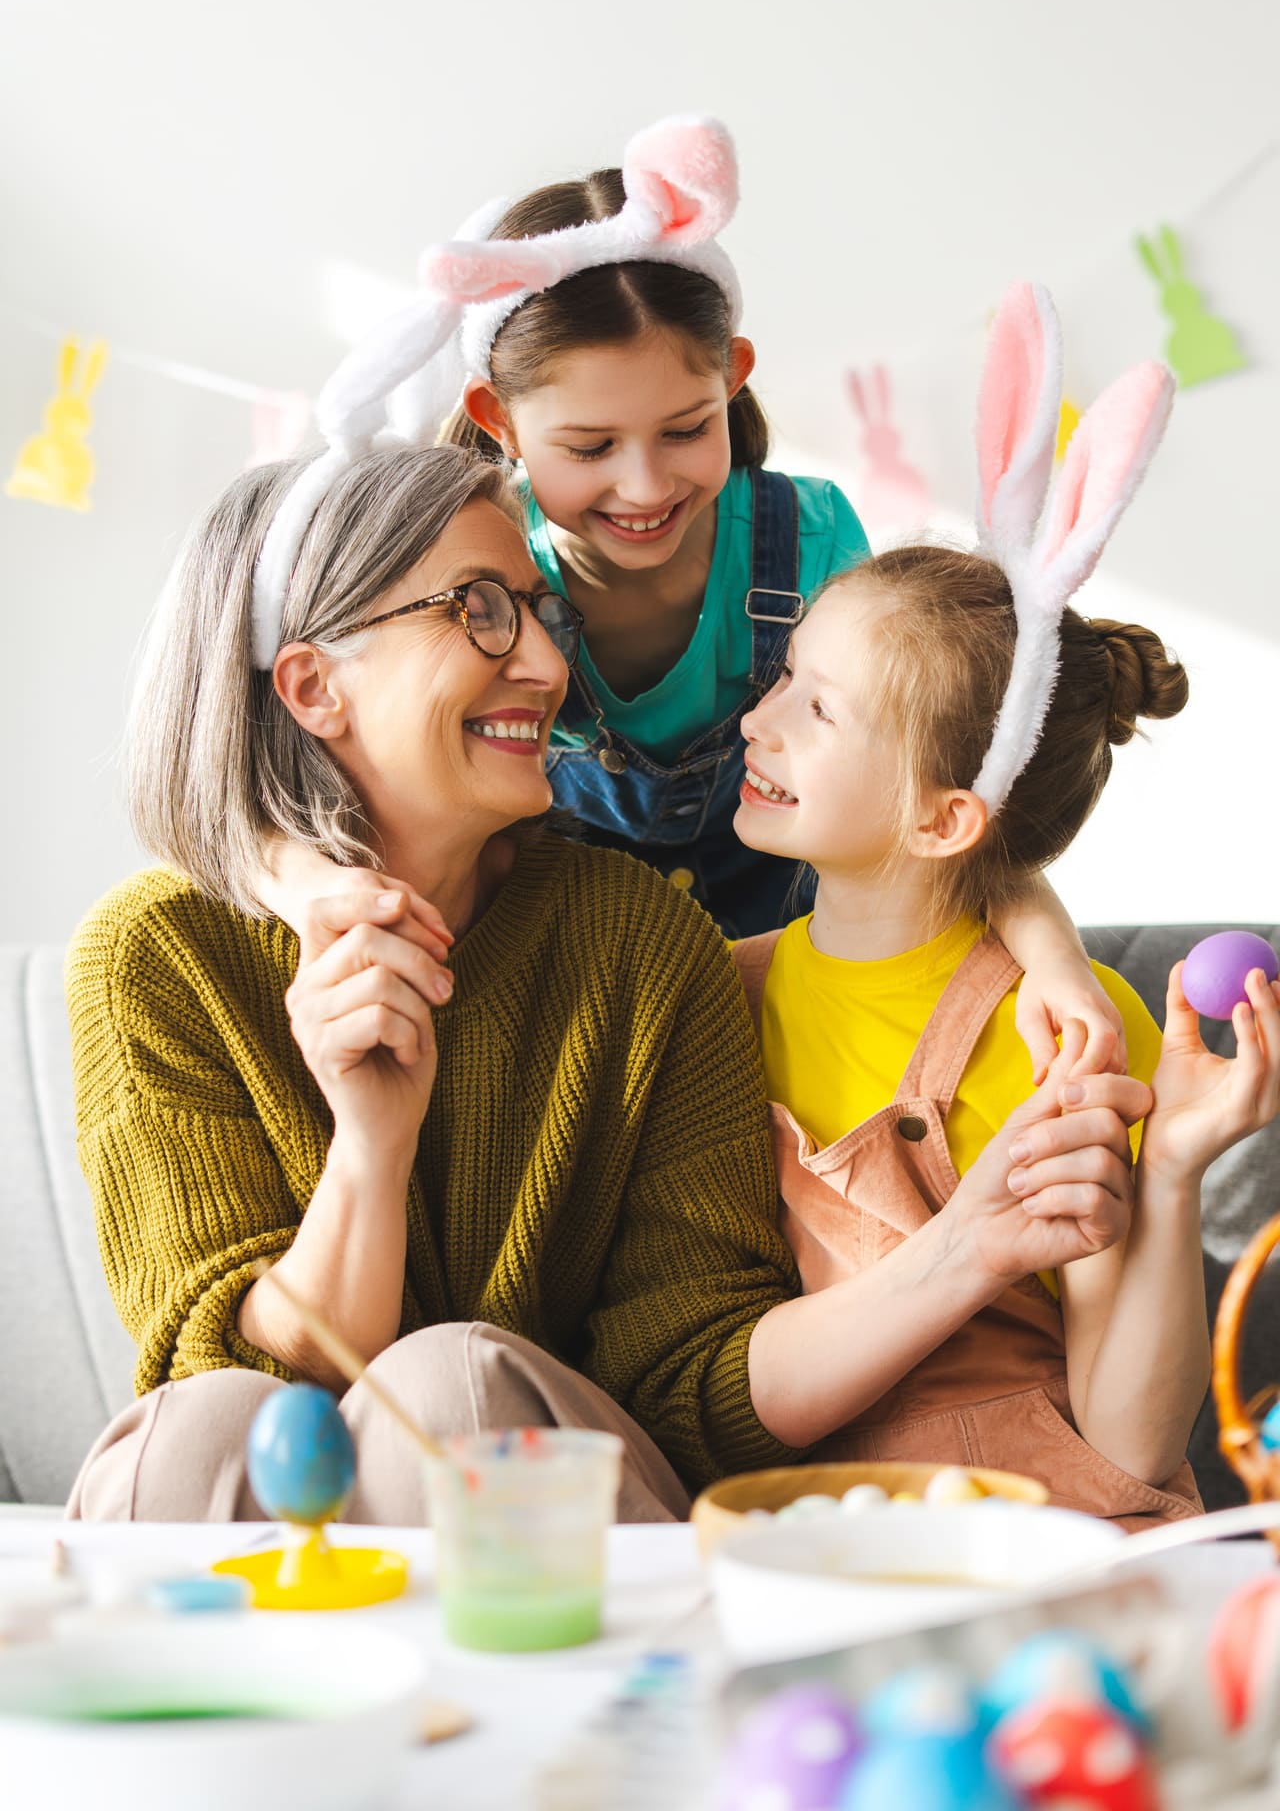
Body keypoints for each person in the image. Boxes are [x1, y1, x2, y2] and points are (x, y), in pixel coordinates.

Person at [65, 439, 1151, 1525]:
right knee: (195, 1428)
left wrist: (1039, 934)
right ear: (311, 685)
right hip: (278, 1531)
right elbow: (233, 1373)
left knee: (451, 1386)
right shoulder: (157, 959)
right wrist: (370, 1142)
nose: (546, 665)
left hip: (582, 1529)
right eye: (481, 609)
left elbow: (694, 1384)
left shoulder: (641, 944)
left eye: (543, 613)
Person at [259, 113, 1141, 1078]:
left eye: (685, 430)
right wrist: (310, 887)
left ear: (733, 379)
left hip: (802, 1012)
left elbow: (946, 787)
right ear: (496, 421)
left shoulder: (806, 544)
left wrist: (1056, 955)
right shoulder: (470, 586)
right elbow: (291, 784)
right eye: (590, 448)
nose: (644, 488)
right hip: (585, 1028)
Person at [731, 285, 1280, 1525]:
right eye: (782, 678)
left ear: (940, 820)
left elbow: (1128, 1447)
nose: (757, 720)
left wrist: (1179, 1167)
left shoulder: (1069, 1051)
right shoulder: (713, 992)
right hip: (792, 1524)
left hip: (1028, 1527)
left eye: (815, 712)